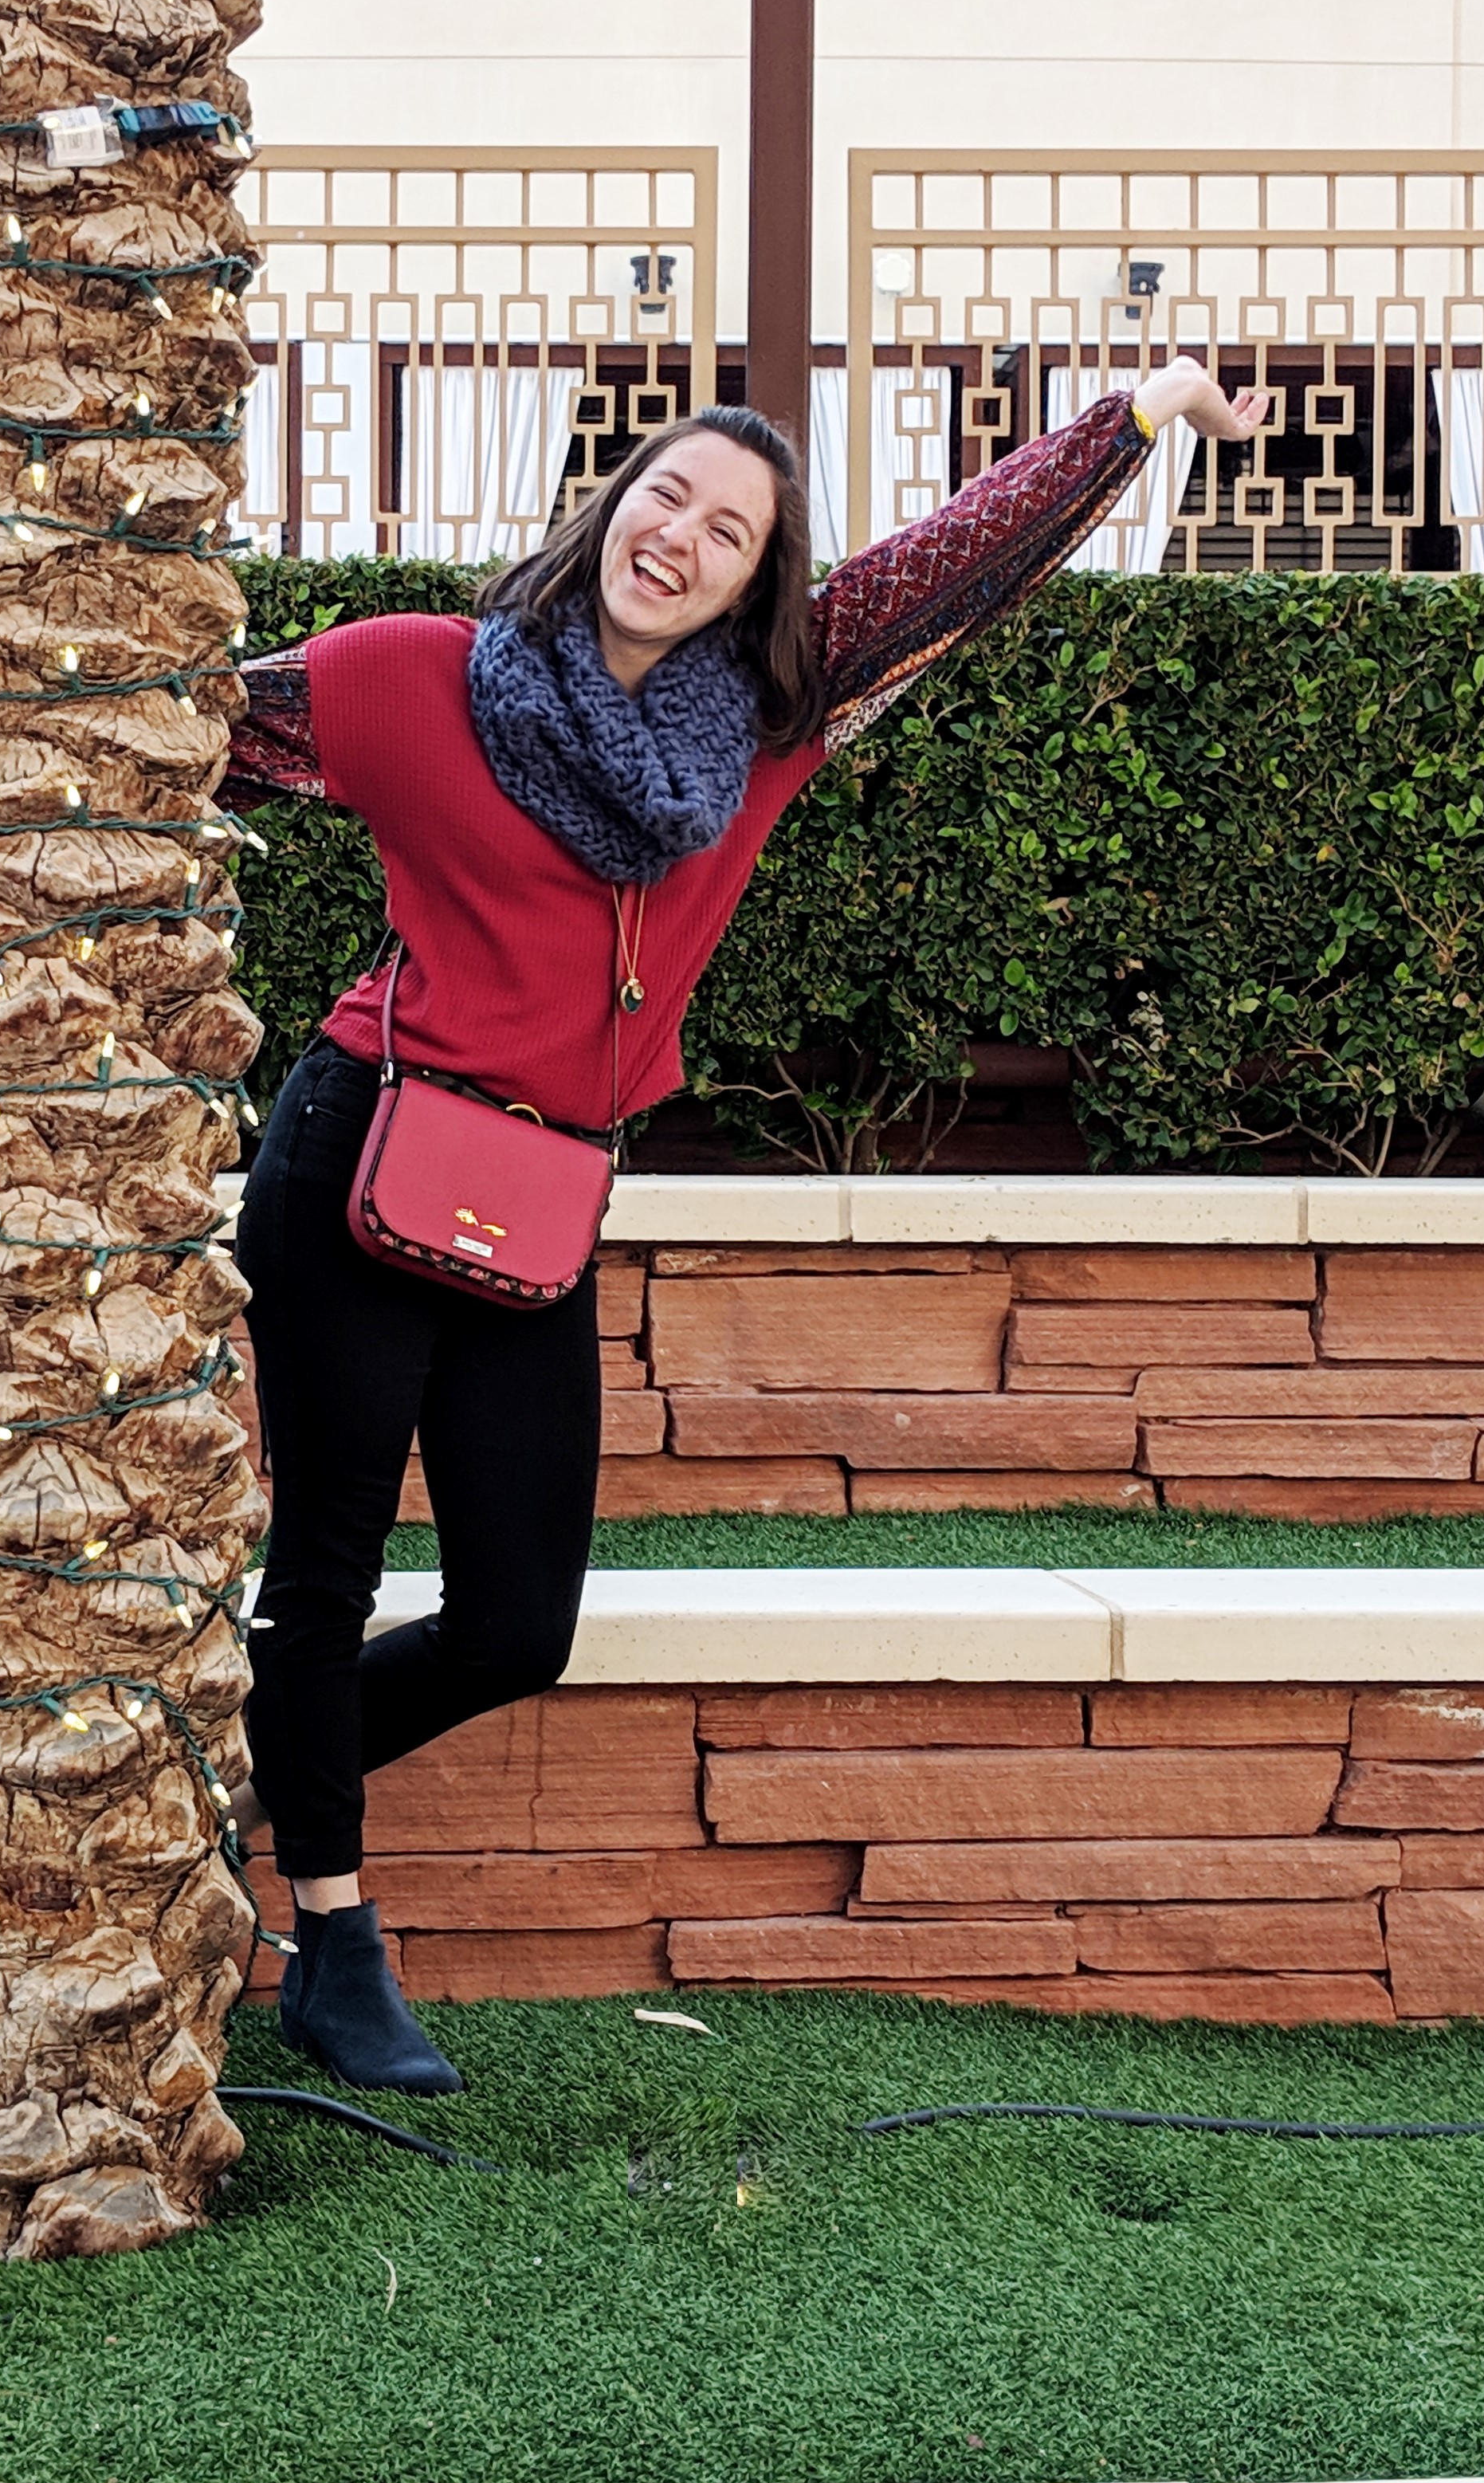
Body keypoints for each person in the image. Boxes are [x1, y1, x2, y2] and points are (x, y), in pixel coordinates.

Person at [219, 355, 1269, 2092]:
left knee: (516, 1623)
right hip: (361, 1155)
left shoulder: (769, 726)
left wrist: (1131, 419)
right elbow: (145, 735)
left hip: (543, 1189)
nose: (682, 535)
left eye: (731, 527)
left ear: (757, 579)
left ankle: (266, 1758)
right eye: (665, 495)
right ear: (609, 503)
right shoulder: (412, 676)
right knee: (322, 1569)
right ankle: (333, 1940)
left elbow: (958, 564)